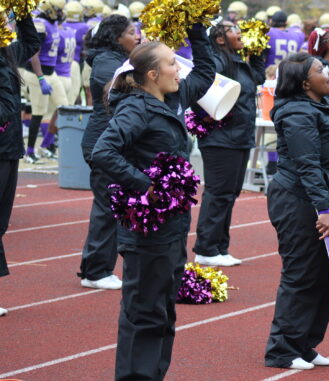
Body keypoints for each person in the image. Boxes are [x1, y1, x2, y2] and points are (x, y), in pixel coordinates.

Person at [91, 23, 215, 380]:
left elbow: (206, 72)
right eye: (172, 64)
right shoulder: (136, 108)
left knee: (163, 309)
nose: (179, 69)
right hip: (146, 229)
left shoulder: (172, 98)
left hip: (172, 224)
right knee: (143, 311)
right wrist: (145, 185)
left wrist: (194, 27)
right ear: (151, 74)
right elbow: (104, 152)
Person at [264, 52, 329, 370]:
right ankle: (281, 349)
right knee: (302, 275)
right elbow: (307, 163)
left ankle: (305, 344)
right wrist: (323, 207)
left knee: (327, 277)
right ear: (305, 81)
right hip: (300, 201)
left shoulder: (326, 106)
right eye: (321, 69)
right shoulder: (295, 112)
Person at [192, 19, 266, 267]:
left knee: (230, 194)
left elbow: (257, 77)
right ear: (220, 38)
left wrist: (257, 50)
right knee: (218, 193)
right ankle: (206, 247)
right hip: (220, 138)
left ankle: (219, 247)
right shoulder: (216, 60)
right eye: (234, 30)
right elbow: (202, 91)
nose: (240, 33)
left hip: (239, 137)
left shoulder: (237, 61)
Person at [78, 14, 139, 290]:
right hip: (102, 144)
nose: (137, 35)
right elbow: (115, 90)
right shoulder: (106, 62)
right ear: (116, 38)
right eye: (131, 32)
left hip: (111, 142)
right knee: (107, 206)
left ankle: (97, 266)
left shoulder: (118, 59)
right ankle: (96, 271)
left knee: (113, 204)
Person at [0, 10, 41, 318]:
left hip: (9, 148)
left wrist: (23, 10)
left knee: (1, 223)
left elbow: (31, 41)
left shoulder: (9, 51)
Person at [23, 0, 69, 163]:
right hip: (37, 73)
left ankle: (45, 144)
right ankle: (29, 151)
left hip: (52, 72)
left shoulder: (53, 22)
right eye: (57, 10)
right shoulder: (40, 23)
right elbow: (34, 53)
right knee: (38, 112)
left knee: (64, 107)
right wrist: (41, 77)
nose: (60, 13)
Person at [61, 0, 89, 105]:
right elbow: (86, 48)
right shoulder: (84, 27)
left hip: (59, 63)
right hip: (75, 62)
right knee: (74, 92)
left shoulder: (61, 25)